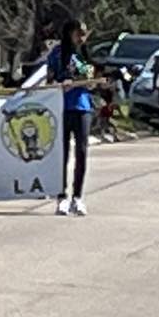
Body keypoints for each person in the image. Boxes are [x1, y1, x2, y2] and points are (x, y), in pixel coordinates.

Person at [46, 19, 93, 217]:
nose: (81, 38)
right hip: (61, 107)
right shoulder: (57, 54)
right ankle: (61, 197)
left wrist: (88, 82)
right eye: (78, 33)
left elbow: (91, 82)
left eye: (84, 34)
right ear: (69, 33)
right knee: (62, 153)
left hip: (82, 107)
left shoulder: (85, 55)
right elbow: (48, 79)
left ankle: (78, 197)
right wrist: (59, 83)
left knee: (81, 151)